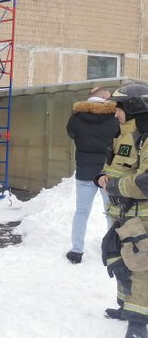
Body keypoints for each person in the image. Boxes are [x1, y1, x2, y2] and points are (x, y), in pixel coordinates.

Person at [95, 82, 148, 338]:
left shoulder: (146, 136)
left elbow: (145, 181)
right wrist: (102, 177)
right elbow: (117, 167)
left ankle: (138, 321)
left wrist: (114, 186)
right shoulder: (124, 134)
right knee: (117, 257)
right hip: (121, 213)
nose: (116, 112)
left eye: (120, 107)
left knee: (139, 266)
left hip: (141, 215)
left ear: (134, 107)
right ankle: (126, 306)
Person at [65, 87, 118, 264]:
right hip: (107, 173)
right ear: (104, 97)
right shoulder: (113, 118)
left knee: (81, 212)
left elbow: (71, 134)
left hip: (84, 171)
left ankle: (76, 251)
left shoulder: (76, 118)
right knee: (111, 212)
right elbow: (118, 137)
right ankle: (111, 250)